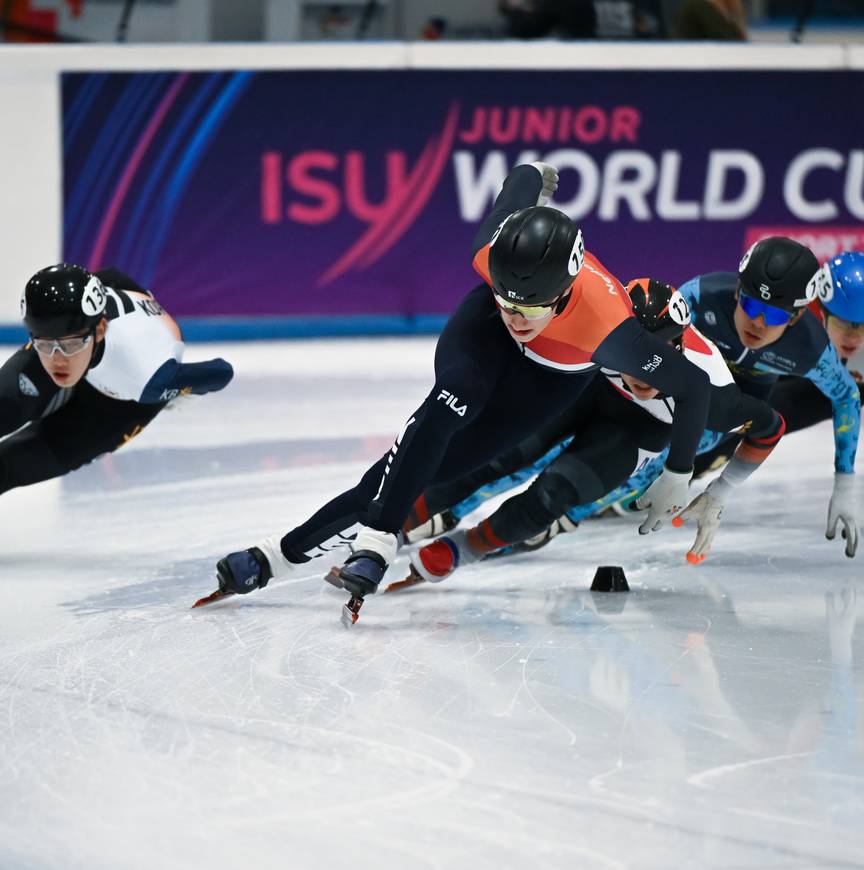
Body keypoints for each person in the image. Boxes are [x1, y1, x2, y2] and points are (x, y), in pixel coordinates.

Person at [211, 163, 713, 622]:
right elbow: (519, 183)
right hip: (481, 333)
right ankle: (335, 547)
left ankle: (301, 551)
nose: (518, 317)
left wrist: (679, 469)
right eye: (508, 299)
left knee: (423, 472)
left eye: (530, 308)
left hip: (552, 377)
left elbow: (693, 388)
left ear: (562, 294)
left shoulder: (613, 328)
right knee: (450, 403)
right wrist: (533, 176)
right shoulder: (489, 251)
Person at [395, 278, 784, 588]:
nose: (645, 372)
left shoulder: (716, 396)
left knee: (554, 496)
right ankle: (395, 523)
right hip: (587, 386)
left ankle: (464, 549)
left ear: (679, 348)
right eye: (638, 356)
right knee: (500, 453)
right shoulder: (595, 324)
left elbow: (771, 428)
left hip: (637, 430)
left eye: (660, 357)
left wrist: (721, 491)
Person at [676, 238, 860, 557]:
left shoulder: (811, 350)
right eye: (751, 307)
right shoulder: (702, 296)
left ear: (794, 317)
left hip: (744, 398)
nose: (759, 322)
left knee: (713, 436)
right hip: (706, 382)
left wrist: (844, 481)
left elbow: (846, 398)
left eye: (774, 316)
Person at [0, 263, 234, 495]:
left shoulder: (145, 378)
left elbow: (222, 372)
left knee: (11, 466)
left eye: (69, 344)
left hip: (119, 403)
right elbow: (111, 276)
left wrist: (181, 387)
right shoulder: (72, 323)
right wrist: (58, 345)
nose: (57, 359)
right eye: (43, 344)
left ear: (100, 329)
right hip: (95, 343)